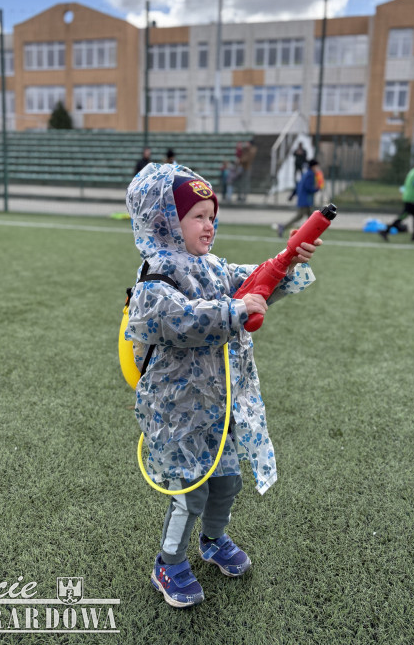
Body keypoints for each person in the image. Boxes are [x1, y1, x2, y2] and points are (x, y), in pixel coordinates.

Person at [125, 163, 321, 608]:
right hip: (177, 414)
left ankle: (213, 540)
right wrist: (235, 313)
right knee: (189, 494)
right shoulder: (155, 279)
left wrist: (288, 262)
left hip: (219, 406)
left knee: (227, 481)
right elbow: (181, 321)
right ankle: (169, 562)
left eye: (212, 216)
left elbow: (255, 282)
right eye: (197, 216)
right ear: (164, 220)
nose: (209, 225)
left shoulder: (213, 267)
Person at [379, 156, 414, 242]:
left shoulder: (413, 171)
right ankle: (386, 230)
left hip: (409, 197)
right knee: (403, 216)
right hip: (410, 198)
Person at [276, 159, 321, 237]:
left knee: (310, 217)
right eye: (316, 166)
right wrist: (316, 189)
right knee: (302, 216)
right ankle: (283, 227)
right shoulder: (310, 175)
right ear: (313, 166)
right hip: (306, 200)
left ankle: (312, 232)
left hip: (303, 199)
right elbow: (308, 187)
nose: (317, 168)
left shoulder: (305, 173)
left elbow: (298, 186)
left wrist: (293, 195)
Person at [237, 138, 257, 202]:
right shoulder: (246, 149)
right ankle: (240, 196)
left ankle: (244, 197)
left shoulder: (252, 149)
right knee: (241, 183)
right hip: (242, 167)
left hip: (247, 168)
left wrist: (240, 160)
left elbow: (247, 158)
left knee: (245, 183)